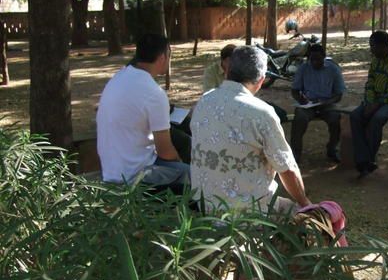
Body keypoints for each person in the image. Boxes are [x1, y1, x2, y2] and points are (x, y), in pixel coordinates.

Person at [190, 45, 311, 212]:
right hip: (247, 215)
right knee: (312, 219)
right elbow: (287, 169)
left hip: (206, 208)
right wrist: (306, 204)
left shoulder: (204, 102)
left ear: (227, 71)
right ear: (261, 80)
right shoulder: (261, 113)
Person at [96, 34, 190, 191]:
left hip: (111, 169)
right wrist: (180, 164)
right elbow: (165, 151)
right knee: (196, 178)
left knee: (180, 140)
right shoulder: (154, 92)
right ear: (162, 57)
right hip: (135, 176)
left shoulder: (119, 77)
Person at [350, 30, 388, 177]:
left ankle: (367, 161)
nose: (371, 50)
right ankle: (364, 160)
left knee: (377, 118)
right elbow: (370, 83)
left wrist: (378, 104)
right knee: (355, 116)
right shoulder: (376, 59)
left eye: (374, 46)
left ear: (385, 46)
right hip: (375, 100)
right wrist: (370, 102)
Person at [290, 43, 345, 163]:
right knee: (299, 118)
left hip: (327, 104)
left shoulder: (333, 69)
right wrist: (301, 100)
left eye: (318, 59)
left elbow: (339, 94)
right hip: (308, 105)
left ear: (324, 57)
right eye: (312, 59)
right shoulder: (304, 68)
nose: (315, 62)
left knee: (335, 119)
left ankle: (332, 149)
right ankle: (295, 153)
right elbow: (294, 90)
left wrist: (327, 101)